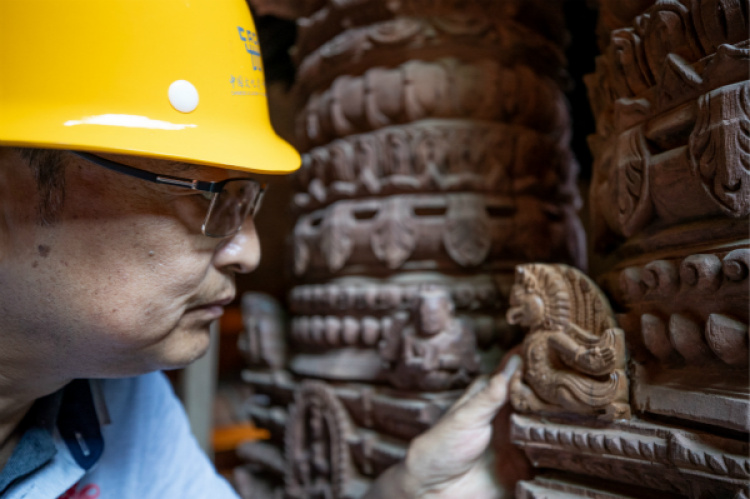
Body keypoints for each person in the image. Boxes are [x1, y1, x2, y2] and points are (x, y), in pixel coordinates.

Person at [0, 1, 522, 497]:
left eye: (246, 200)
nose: (248, 252)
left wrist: (411, 492)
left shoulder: (111, 395)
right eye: (203, 194)